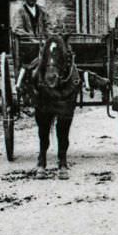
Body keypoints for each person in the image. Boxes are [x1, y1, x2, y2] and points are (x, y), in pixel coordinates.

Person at [34, 37, 79, 179]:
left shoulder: (43, 16)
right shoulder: (23, 14)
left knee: (64, 129)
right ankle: (41, 160)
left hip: (59, 50)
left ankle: (63, 162)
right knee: (43, 127)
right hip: (38, 42)